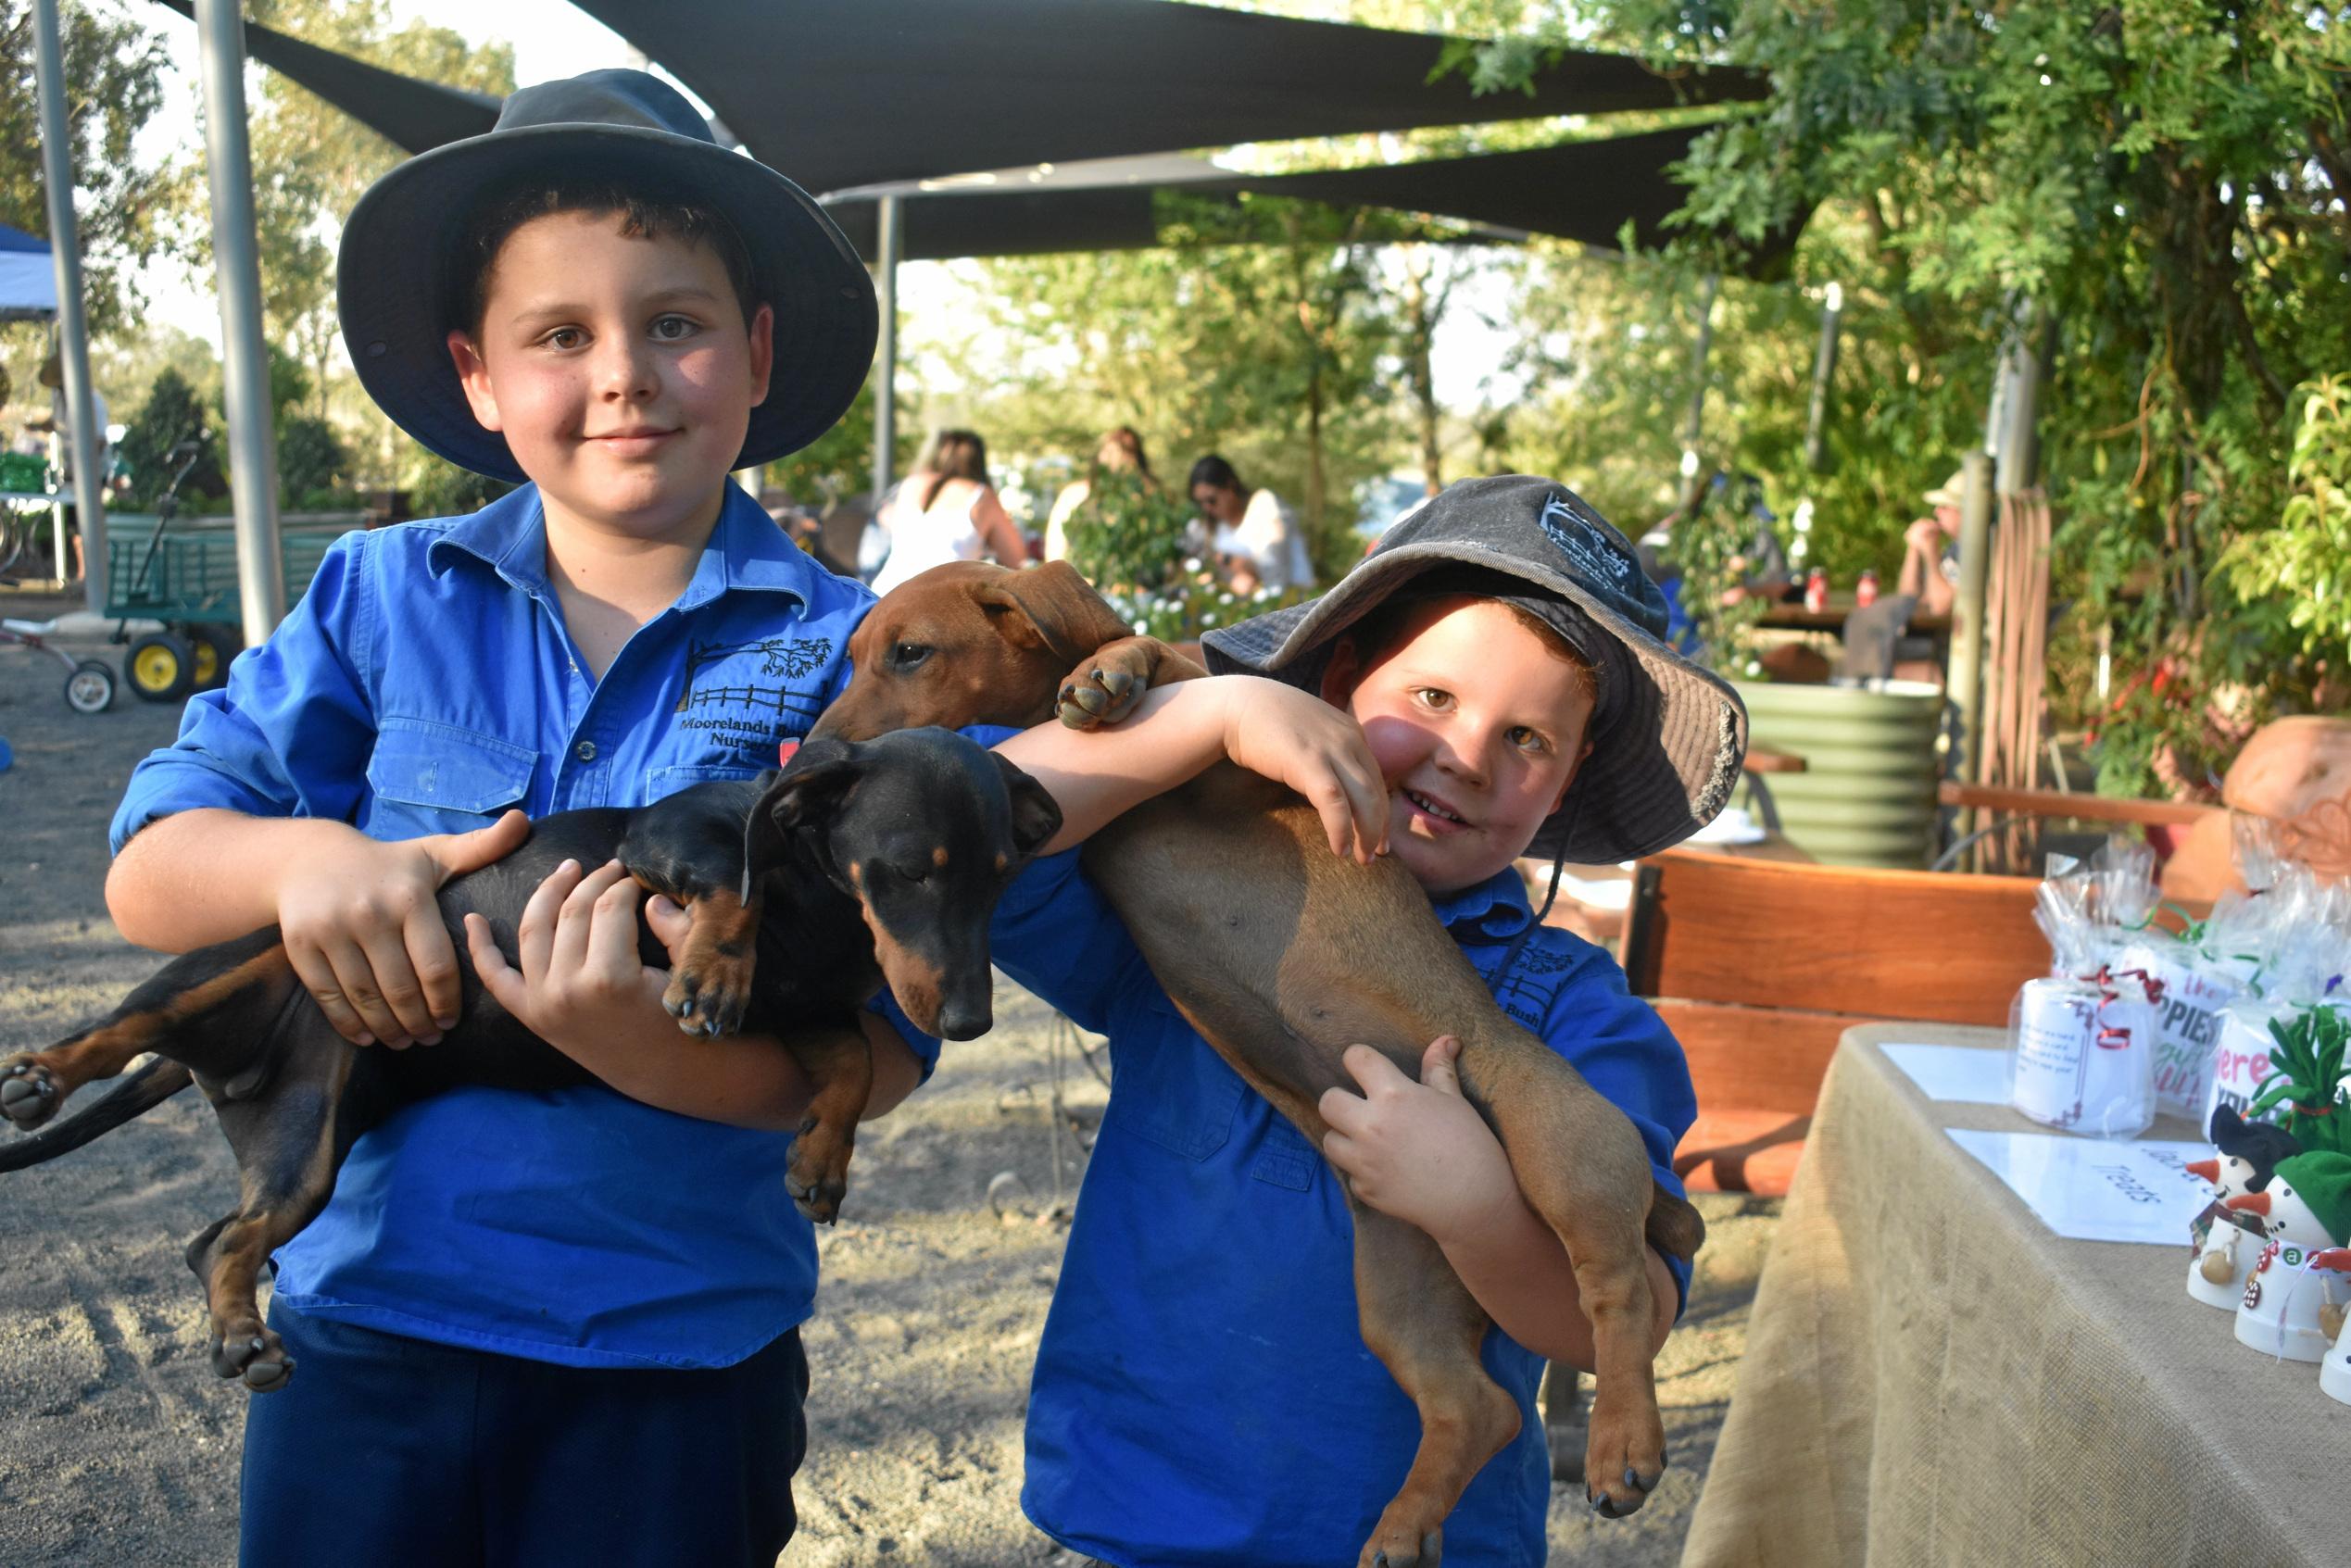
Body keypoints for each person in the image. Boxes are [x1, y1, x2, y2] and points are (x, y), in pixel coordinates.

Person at [101, 71, 918, 1568]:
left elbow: (877, 1053)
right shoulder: (376, 594)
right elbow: (151, 870)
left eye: (674, 322)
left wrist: (638, 1044)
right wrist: (307, 858)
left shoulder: (857, 656)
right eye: (561, 334)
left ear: (756, 351)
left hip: (679, 1364)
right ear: (479, 377)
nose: (625, 374)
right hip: (363, 1343)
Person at [979, 474, 1741, 1566]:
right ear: (1335, 683)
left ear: (1568, 787)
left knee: (1461, 1301)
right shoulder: (1168, 895)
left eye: (1526, 738)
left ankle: (1455, 1436)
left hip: (1438, 1545)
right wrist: (1213, 710)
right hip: (1140, 1515)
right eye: (1431, 699)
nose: (1467, 755)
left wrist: (1476, 1203)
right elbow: (980, 815)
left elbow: (1631, 1307)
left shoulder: (1574, 1007)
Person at [868, 427, 1029, 593]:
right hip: (939, 598)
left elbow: (892, 521)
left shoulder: (912, 484)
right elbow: (1017, 560)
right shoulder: (981, 495)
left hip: (886, 592)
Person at [1190, 452, 1312, 594]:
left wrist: (1236, 564)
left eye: (1212, 500)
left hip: (1295, 603)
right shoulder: (1212, 529)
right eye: (1200, 503)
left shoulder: (1264, 506)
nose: (1207, 508)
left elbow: (1275, 568)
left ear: (1230, 486)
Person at [1044, 424, 1157, 563]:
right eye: (1110, 450)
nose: (1116, 457)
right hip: (1079, 579)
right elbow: (1055, 550)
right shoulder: (1075, 495)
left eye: (1124, 451)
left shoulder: (1146, 497)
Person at [1897, 468, 1965, 618]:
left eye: (1945, 507)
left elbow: (1940, 609)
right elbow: (1906, 602)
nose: (1936, 512)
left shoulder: (1979, 552)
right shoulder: (1955, 548)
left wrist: (1930, 553)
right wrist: (1914, 549)